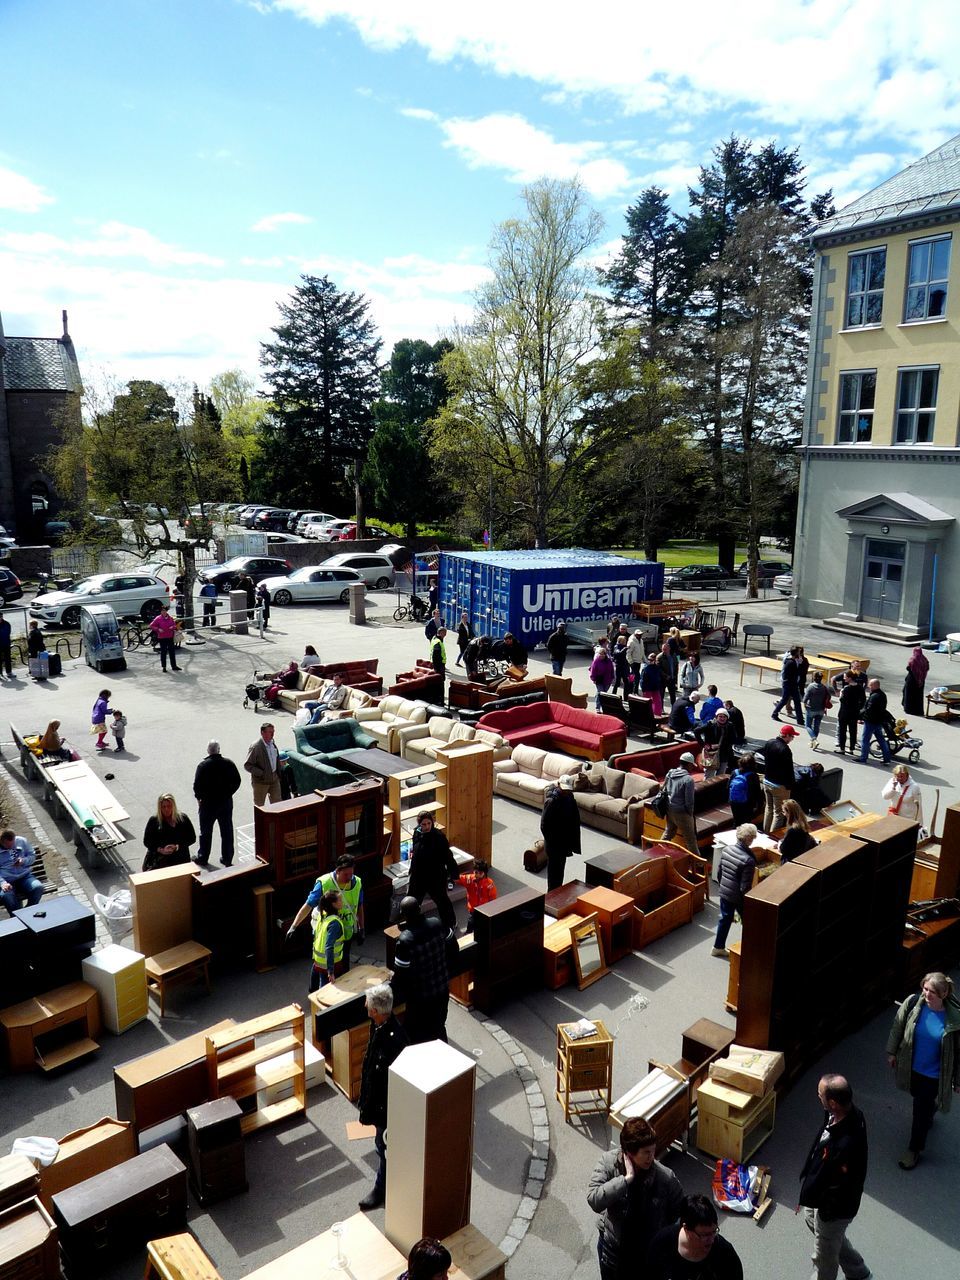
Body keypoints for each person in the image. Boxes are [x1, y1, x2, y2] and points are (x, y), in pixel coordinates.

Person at [587, 1116, 683, 1280]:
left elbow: (679, 1213)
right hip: (613, 1252)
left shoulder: (665, 1178)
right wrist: (625, 1180)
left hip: (648, 1257)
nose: (651, 1157)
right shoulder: (609, 1162)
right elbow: (594, 1200)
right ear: (629, 1153)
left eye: (652, 1151)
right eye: (646, 1152)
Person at [885, 971, 960, 1170]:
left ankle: (914, 1149)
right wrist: (892, 1052)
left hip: (933, 1075)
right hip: (911, 1068)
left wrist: (957, 1080)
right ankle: (929, 1111)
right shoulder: (913, 1004)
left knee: (920, 1112)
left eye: (932, 992)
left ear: (943, 994)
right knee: (917, 1098)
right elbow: (898, 1027)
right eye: (925, 989)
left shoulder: (954, 1020)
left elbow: (958, 1053)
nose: (926, 994)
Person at [798, 1074, 870, 1280]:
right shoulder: (843, 1114)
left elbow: (839, 1184)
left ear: (833, 1102)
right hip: (824, 1199)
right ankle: (859, 1272)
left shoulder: (846, 1143)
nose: (817, 1097)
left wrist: (827, 1211)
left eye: (820, 1094)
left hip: (835, 1209)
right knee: (812, 1220)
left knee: (824, 1256)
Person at [357, 983, 408, 1211]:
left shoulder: (394, 1039)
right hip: (378, 1104)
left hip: (386, 1109)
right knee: (383, 1147)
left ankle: (382, 1189)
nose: (365, 1005)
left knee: (384, 1148)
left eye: (368, 1003)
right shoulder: (379, 1025)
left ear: (375, 1010)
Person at [391, 896, 457, 1044]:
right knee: (439, 1028)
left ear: (404, 915)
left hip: (420, 998)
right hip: (441, 990)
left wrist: (389, 989)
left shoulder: (405, 941)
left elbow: (400, 977)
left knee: (416, 1036)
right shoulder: (437, 923)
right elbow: (454, 948)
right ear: (419, 909)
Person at [287, 855, 364, 972]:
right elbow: (308, 905)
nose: (349, 878)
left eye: (351, 874)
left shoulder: (357, 883)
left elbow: (359, 906)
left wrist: (361, 928)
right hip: (326, 933)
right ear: (337, 871)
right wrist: (294, 926)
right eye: (346, 875)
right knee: (321, 965)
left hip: (345, 934)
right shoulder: (324, 883)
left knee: (344, 965)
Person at [647, 1194, 743, 1280]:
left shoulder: (725, 1253)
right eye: (704, 1235)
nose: (712, 1240)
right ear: (686, 1229)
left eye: (714, 1231)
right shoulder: (662, 1243)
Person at [193, 740, 242, 867]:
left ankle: (203, 856)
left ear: (208, 751)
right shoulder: (228, 763)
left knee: (206, 832)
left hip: (208, 804)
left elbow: (197, 786)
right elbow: (237, 780)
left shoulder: (203, 766)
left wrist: (199, 798)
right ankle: (227, 858)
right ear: (219, 750)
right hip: (225, 803)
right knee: (226, 831)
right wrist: (229, 793)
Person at [712, 823, 758, 957]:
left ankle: (718, 946)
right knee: (749, 920)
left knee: (726, 918)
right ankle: (750, 947)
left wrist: (722, 887)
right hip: (737, 896)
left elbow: (720, 871)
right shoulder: (748, 860)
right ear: (749, 839)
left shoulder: (727, 849)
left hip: (725, 891)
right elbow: (745, 887)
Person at [408, 812, 458, 931]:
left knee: (442, 901)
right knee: (412, 901)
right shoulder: (417, 833)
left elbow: (447, 856)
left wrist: (453, 872)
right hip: (419, 875)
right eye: (423, 824)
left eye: (429, 823)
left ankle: (450, 923)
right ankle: (411, 924)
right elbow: (415, 852)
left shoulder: (439, 837)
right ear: (419, 824)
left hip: (435, 876)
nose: (427, 827)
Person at [541, 775, 582, 891]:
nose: (566, 792)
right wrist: (553, 842)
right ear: (559, 786)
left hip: (563, 845)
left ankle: (558, 895)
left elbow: (574, 819)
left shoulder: (570, 798)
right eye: (564, 789)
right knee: (553, 877)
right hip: (554, 846)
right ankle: (551, 899)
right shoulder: (551, 802)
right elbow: (544, 825)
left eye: (568, 790)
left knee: (560, 874)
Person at [142, 794, 196, 871]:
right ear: (159, 808)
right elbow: (147, 841)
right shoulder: (154, 821)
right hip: (160, 861)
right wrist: (161, 850)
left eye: (169, 806)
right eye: (163, 807)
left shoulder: (183, 819)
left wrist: (177, 847)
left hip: (180, 858)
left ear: (173, 806)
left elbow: (192, 838)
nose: (166, 809)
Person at [760, 724, 799, 832]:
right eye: (792, 736)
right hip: (779, 786)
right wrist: (790, 786)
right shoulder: (785, 750)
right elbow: (789, 771)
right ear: (786, 735)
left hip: (767, 781)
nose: (792, 739)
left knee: (769, 809)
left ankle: (766, 832)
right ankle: (772, 836)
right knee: (779, 814)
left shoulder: (770, 742)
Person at [662, 752, 698, 857]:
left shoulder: (670, 773)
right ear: (689, 764)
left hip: (669, 808)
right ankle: (698, 864)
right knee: (690, 839)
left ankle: (656, 852)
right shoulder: (688, 780)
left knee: (669, 832)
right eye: (692, 765)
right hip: (682, 813)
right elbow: (689, 801)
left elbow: (663, 789)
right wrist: (690, 815)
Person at [0, 829, 44, 915]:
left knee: (38, 887)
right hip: (7, 880)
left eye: (12, 844)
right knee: (7, 896)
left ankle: (27, 913)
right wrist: (2, 883)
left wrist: (24, 861)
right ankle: (17, 919)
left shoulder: (21, 841)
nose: (11, 847)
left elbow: (32, 856)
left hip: (25, 876)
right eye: (8, 846)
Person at [311, 889, 344, 991]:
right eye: (340, 900)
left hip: (318, 961)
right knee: (327, 990)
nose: (342, 902)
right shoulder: (334, 923)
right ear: (333, 904)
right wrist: (331, 971)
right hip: (330, 964)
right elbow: (329, 946)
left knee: (320, 986)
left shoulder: (323, 915)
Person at [245, 722, 282, 806]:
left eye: (273, 731)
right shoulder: (256, 747)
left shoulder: (272, 744)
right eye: (270, 732)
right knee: (260, 806)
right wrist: (261, 773)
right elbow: (248, 765)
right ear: (262, 733)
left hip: (274, 779)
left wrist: (278, 774)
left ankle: (275, 819)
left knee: (278, 805)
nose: (272, 734)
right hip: (261, 783)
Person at [694, 707, 736, 778]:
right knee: (709, 774)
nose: (722, 719)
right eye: (720, 716)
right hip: (710, 753)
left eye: (724, 717)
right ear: (716, 717)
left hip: (724, 753)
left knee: (720, 775)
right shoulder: (710, 724)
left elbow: (733, 739)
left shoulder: (730, 726)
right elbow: (696, 731)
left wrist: (723, 745)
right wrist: (704, 745)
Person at [457, 858, 497, 930]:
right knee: (471, 924)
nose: (476, 874)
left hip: (484, 911)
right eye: (475, 872)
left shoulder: (489, 884)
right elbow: (458, 878)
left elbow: (493, 899)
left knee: (484, 927)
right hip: (473, 910)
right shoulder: (469, 879)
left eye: (479, 873)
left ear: (483, 873)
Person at [859, 678, 891, 764]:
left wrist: (860, 717)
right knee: (881, 739)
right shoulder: (883, 695)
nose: (869, 686)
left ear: (874, 686)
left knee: (865, 739)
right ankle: (887, 758)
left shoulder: (874, 696)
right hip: (879, 721)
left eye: (870, 685)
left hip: (870, 721)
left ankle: (863, 758)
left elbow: (868, 709)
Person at [835, 670, 866, 755]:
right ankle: (851, 748)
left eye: (845, 677)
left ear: (849, 678)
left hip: (844, 712)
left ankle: (842, 748)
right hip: (854, 712)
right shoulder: (860, 687)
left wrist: (841, 694)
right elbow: (863, 700)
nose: (844, 678)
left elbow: (842, 700)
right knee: (853, 731)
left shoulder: (846, 689)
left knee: (842, 730)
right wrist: (858, 708)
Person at [728, 752, 762, 825]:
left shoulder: (734, 772)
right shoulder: (753, 775)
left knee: (736, 821)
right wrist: (759, 805)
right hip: (747, 803)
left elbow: (728, 786)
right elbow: (757, 792)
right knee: (746, 823)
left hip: (733, 802)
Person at [772, 646, 803, 725]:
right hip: (789, 684)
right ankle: (775, 714)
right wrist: (789, 682)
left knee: (797, 701)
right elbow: (786, 675)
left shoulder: (796, 661)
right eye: (799, 652)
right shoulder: (790, 662)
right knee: (784, 700)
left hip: (793, 684)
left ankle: (800, 720)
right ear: (796, 653)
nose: (800, 654)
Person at [803, 670, 831, 749]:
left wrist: (804, 706)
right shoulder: (824, 687)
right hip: (821, 709)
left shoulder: (811, 686)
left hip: (811, 708)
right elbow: (829, 696)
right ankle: (813, 742)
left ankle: (814, 740)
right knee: (816, 726)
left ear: (814, 677)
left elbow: (805, 699)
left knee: (808, 726)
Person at [148, 603, 180, 672]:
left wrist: (173, 627)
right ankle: (164, 667)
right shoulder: (158, 618)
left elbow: (175, 626)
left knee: (172, 652)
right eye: (162, 611)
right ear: (161, 612)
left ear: (166, 611)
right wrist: (158, 629)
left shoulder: (170, 618)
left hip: (170, 637)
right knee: (163, 652)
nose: (163, 612)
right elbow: (151, 626)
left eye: (164, 610)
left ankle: (174, 666)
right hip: (162, 638)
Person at [902, 646, 929, 715]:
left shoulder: (913, 659)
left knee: (909, 694)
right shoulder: (924, 659)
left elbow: (908, 668)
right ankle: (918, 711)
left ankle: (909, 710)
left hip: (912, 680)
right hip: (921, 680)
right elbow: (927, 668)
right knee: (918, 696)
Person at [590, 639, 615, 711]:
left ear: (605, 654)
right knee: (600, 693)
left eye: (602, 654)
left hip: (607, 679)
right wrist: (593, 679)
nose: (601, 655)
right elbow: (593, 670)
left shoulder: (609, 661)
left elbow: (611, 669)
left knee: (604, 693)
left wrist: (612, 677)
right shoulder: (596, 661)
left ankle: (603, 706)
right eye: (600, 654)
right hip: (599, 679)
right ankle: (598, 708)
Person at [638, 651, 663, 716]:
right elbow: (642, 679)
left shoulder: (657, 667)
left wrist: (659, 685)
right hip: (647, 688)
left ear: (655, 660)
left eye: (651, 660)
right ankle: (645, 715)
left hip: (655, 687)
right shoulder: (645, 668)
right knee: (646, 703)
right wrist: (643, 688)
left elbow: (659, 677)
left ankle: (657, 715)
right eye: (648, 659)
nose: (649, 661)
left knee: (657, 702)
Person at [658, 640, 678, 708]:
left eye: (665, 649)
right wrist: (666, 676)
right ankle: (661, 709)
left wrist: (675, 678)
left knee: (673, 695)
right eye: (663, 649)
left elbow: (676, 666)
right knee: (661, 695)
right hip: (663, 680)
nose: (664, 651)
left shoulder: (674, 655)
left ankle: (674, 709)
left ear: (669, 649)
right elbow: (659, 669)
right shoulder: (659, 657)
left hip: (672, 679)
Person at [0, 614, 11, 679]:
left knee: (8, 658)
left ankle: (9, 672)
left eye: (1, 617)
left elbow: (8, 633)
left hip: (6, 643)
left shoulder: (7, 624)